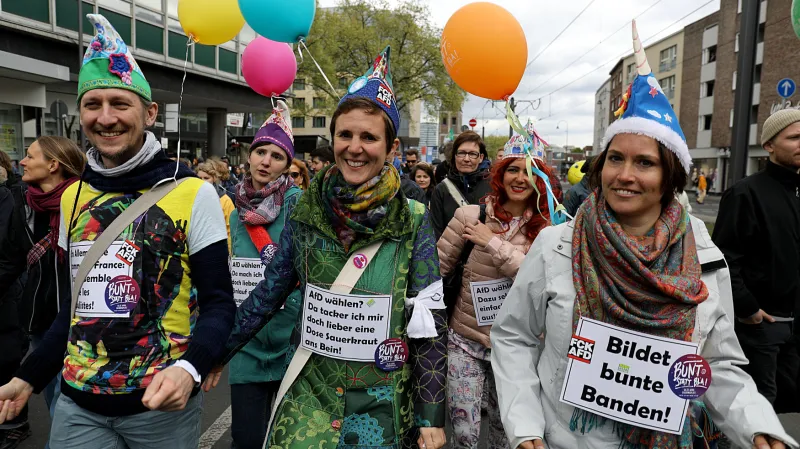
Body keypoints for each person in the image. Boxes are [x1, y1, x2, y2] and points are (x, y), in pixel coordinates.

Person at [491, 24, 797, 449]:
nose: (625, 175)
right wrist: (525, 430)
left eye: (645, 163)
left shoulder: (704, 258)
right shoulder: (557, 245)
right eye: (615, 158)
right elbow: (514, 338)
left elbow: (717, 366)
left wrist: (758, 427)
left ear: (670, 175)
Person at [0, 15, 236, 449]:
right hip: (77, 407)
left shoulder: (193, 193)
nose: (105, 117)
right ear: (81, 113)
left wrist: (190, 369)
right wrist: (28, 377)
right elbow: (73, 309)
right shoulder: (74, 196)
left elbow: (219, 303)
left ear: (149, 112)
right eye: (93, 104)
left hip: (160, 411)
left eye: (120, 104)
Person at [210, 46, 448, 449]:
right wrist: (215, 351)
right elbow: (270, 292)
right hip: (309, 402)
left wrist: (431, 415)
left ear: (391, 148)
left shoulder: (413, 218)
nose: (355, 147)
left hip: (381, 409)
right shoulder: (306, 208)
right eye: (345, 135)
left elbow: (428, 322)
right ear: (333, 138)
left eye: (369, 137)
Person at [437, 139, 555, 449]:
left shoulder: (549, 230)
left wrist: (491, 242)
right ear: (500, 174)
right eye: (513, 169)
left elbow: (537, 282)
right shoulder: (470, 216)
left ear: (541, 179)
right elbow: (435, 271)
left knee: (506, 435)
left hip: (517, 348)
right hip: (465, 340)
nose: (520, 178)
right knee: (464, 433)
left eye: (530, 172)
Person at [712, 108, 800, 413]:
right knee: (757, 408)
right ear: (769, 145)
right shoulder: (745, 194)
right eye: (794, 138)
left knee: (787, 402)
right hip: (762, 326)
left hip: (796, 325)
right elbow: (724, 258)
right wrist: (747, 308)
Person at [227, 101, 304, 449]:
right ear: (249, 155)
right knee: (245, 439)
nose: (266, 161)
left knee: (289, 440)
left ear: (287, 165)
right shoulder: (235, 210)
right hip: (248, 340)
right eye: (260, 152)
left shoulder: (300, 204)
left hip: (292, 339)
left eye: (276, 156)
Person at [0, 137, 86, 448]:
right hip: (42, 321)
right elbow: (10, 259)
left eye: (29, 155)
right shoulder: (23, 203)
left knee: (69, 410)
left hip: (81, 324)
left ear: (52, 164)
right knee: (54, 403)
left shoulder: (86, 201)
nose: (21, 162)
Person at [430, 131, 491, 239]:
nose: (466, 159)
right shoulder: (441, 190)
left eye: (472, 154)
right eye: (462, 153)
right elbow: (435, 232)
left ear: (481, 157)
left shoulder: (493, 186)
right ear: (454, 156)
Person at [196, 161, 236, 244]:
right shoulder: (192, 197)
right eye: (199, 178)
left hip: (218, 246)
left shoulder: (225, 200)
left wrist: (228, 250)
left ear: (214, 178)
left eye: (206, 178)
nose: (202, 181)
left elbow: (230, 230)